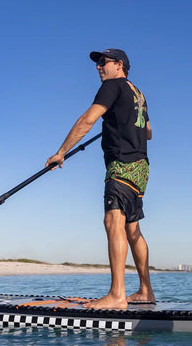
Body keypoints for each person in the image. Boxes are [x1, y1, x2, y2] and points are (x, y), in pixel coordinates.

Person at [46, 48, 155, 309]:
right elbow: (148, 132)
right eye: (97, 64)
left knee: (112, 221)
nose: (98, 67)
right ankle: (145, 291)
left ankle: (117, 294)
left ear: (119, 65)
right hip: (141, 167)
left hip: (121, 164)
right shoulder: (138, 93)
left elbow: (87, 120)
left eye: (103, 62)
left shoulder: (112, 85)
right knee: (132, 228)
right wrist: (119, 122)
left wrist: (61, 153)